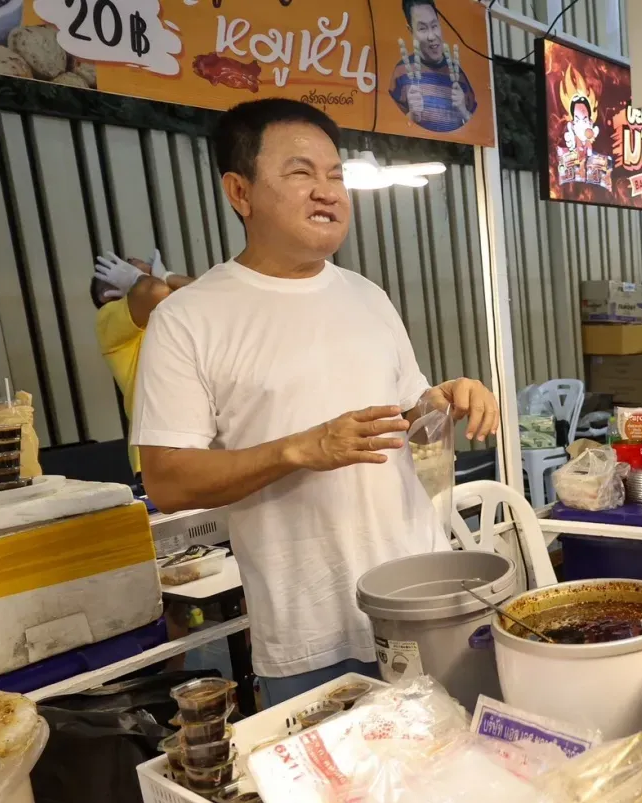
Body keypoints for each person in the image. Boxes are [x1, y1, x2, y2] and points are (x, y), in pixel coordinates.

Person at [131, 99, 499, 706]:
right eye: (301, 173)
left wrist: (449, 398)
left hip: (416, 604)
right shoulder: (188, 319)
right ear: (240, 192)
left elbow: (408, 418)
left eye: (335, 174)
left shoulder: (367, 295)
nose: (327, 191)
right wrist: (300, 449)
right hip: (308, 631)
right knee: (331, 798)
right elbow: (167, 481)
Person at [93, 251, 195, 472]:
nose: (156, 280)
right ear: (109, 293)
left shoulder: (166, 317)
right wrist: (139, 281)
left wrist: (168, 275)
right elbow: (154, 291)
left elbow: (213, 297)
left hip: (198, 446)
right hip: (159, 454)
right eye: (140, 274)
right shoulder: (109, 319)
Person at [389, 0, 477, 133]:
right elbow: (390, 128)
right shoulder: (401, 73)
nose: (431, 36)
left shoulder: (458, 76)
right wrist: (412, 115)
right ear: (411, 31)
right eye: (423, 28)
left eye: (434, 26)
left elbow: (478, 130)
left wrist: (463, 111)